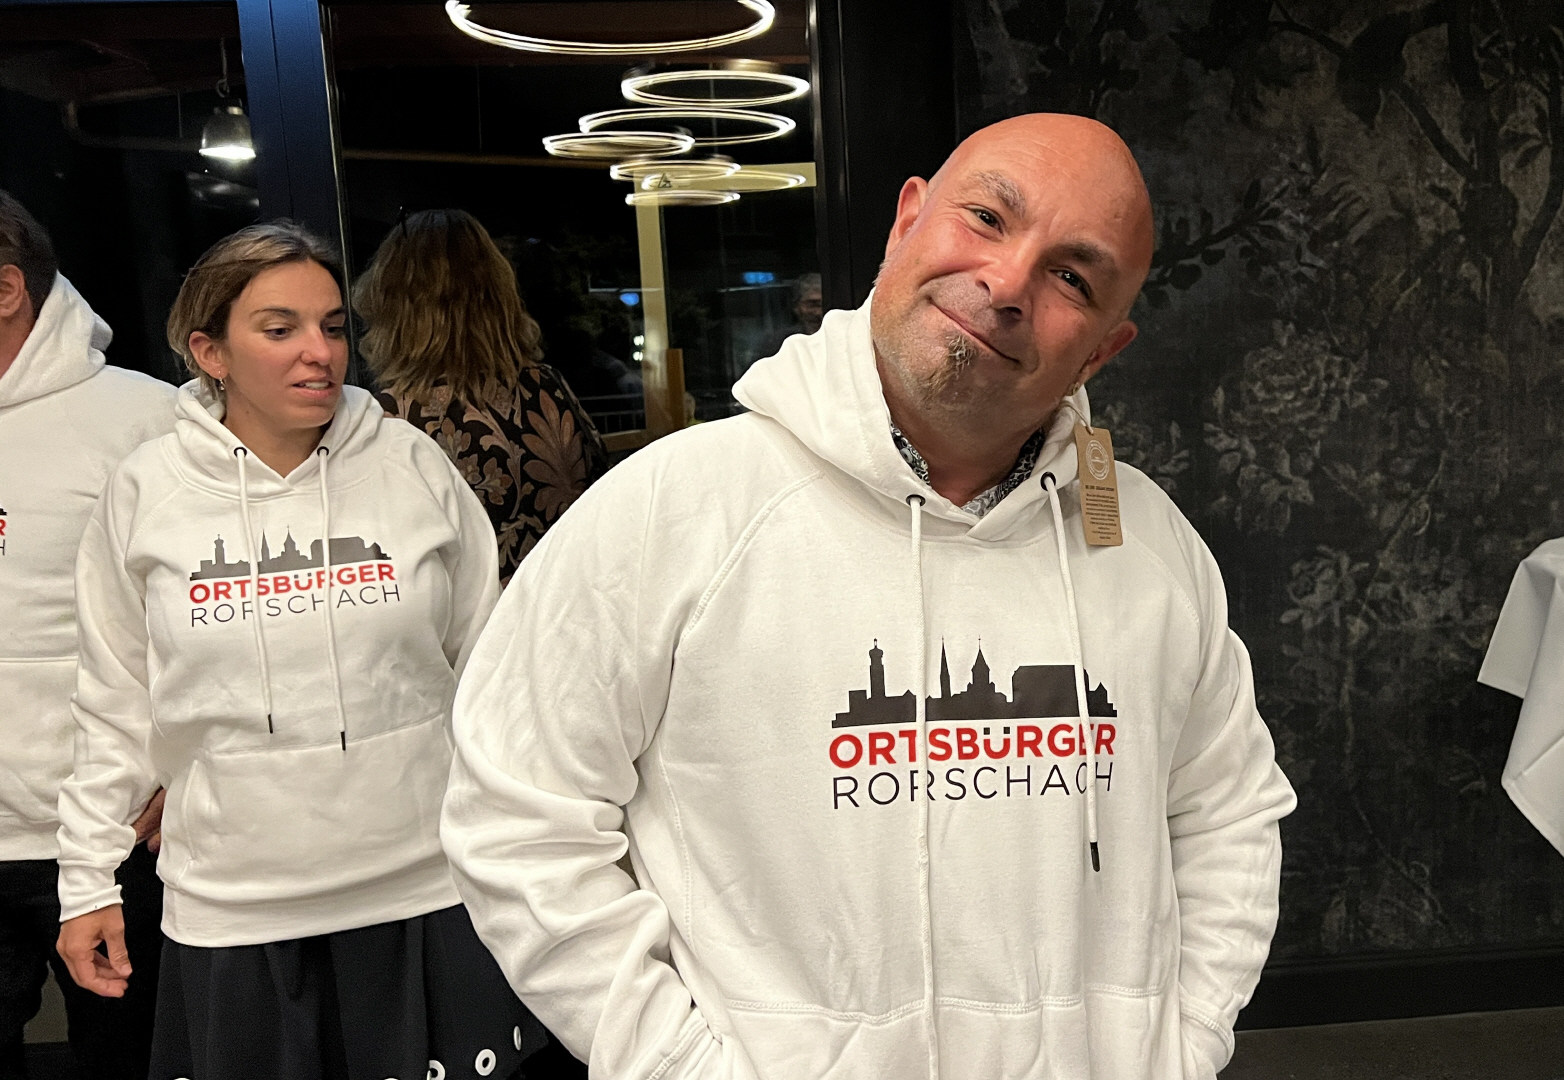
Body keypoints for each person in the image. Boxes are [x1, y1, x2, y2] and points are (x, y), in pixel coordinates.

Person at [442, 112, 1298, 1078]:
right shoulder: (670, 511)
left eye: (1072, 278)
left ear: (1103, 349)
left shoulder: (1152, 548)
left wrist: (1182, 1047)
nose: (1007, 283)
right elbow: (519, 816)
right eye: (987, 218)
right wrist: (677, 1065)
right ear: (907, 220)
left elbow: (1227, 815)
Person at [53, 221, 547, 1079]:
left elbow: (491, 675)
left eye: (332, 326)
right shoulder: (146, 491)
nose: (319, 352)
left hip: (423, 886)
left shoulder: (412, 466)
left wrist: (524, 847)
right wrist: (87, 879)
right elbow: (114, 702)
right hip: (235, 907)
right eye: (279, 329)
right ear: (210, 351)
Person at [0, 190, 173, 1078]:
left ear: (6, 290)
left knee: (130, 1065)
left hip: (110, 837)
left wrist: (191, 770)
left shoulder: (144, 421)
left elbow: (224, 613)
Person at [355, 209, 609, 585]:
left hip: (472, 621)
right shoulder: (548, 387)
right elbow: (602, 497)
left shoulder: (391, 418)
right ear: (500, 294)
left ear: (389, 305)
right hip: (566, 602)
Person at [753, 271, 825, 363]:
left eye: (823, 305)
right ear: (796, 307)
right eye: (812, 305)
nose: (819, 312)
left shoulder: (840, 339)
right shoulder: (777, 344)